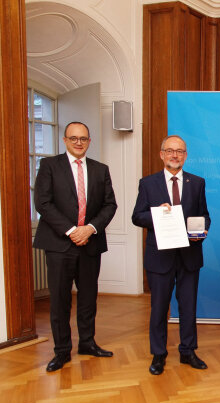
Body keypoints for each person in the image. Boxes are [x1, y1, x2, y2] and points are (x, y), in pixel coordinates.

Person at [34, 121, 117, 372]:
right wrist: (72, 231)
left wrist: (89, 229)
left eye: (83, 138)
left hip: (90, 243)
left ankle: (87, 343)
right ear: (65, 140)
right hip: (60, 244)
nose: (78, 142)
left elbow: (109, 205)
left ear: (89, 141)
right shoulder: (49, 166)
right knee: (59, 299)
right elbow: (43, 203)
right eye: (73, 138)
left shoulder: (100, 169)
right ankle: (61, 351)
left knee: (88, 298)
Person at [132, 135, 210, 375]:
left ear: (185, 156)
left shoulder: (197, 182)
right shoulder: (148, 183)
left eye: (180, 151)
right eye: (170, 151)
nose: (175, 155)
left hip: (189, 255)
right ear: (162, 154)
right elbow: (137, 216)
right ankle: (158, 354)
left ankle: (188, 351)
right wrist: (157, 214)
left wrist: (202, 230)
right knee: (158, 308)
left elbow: (204, 215)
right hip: (160, 257)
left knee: (188, 307)